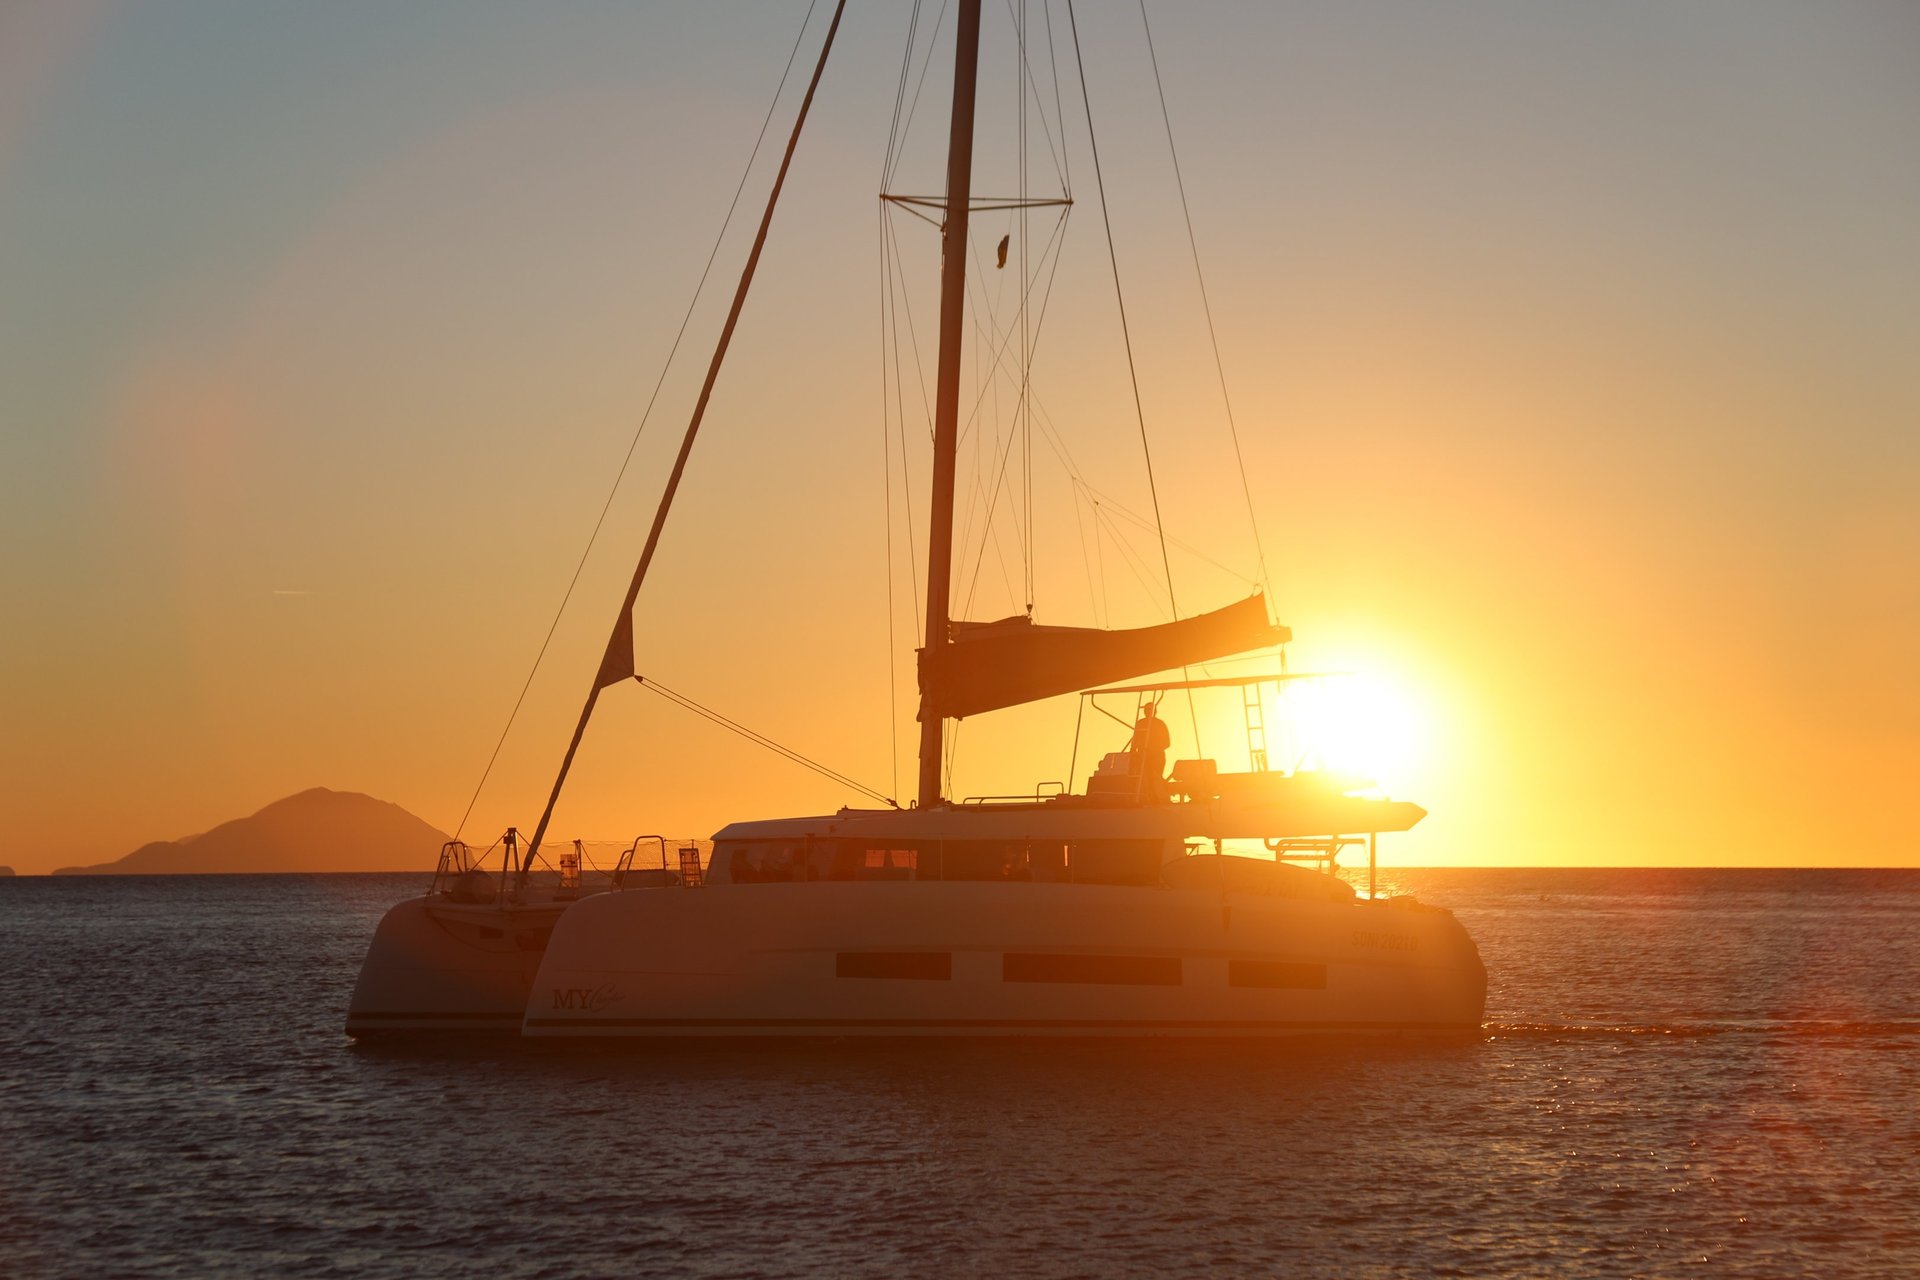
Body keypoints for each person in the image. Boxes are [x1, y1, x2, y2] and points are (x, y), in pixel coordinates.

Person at [1131, 700, 1171, 801]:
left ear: (1154, 711)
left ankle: (1159, 798)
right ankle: (1146, 798)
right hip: (1142, 758)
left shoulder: (1160, 724)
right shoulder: (1140, 724)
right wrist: (1134, 754)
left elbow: (1167, 743)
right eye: (1146, 710)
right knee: (1143, 780)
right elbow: (1134, 743)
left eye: (1150, 710)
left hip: (1157, 758)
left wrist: (1153, 750)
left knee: (1156, 779)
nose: (1148, 712)